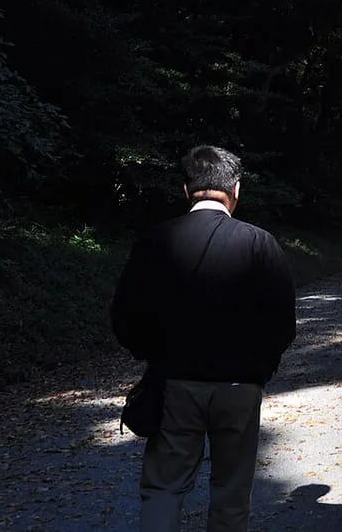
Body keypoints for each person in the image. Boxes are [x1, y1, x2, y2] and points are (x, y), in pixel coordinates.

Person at [111, 145, 296, 532]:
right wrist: (260, 368)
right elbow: (283, 323)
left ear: (186, 190)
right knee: (231, 491)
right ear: (236, 190)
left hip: (174, 383)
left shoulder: (157, 240)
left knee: (164, 486)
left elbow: (124, 315)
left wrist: (153, 356)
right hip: (240, 386)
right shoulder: (260, 243)